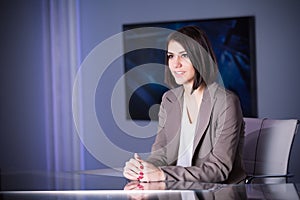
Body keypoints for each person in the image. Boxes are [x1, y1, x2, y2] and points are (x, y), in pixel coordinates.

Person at [123, 26, 246, 184]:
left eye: (184, 56)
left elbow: (218, 169)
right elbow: (161, 155)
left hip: (218, 193)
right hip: (178, 190)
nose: (175, 64)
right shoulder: (169, 100)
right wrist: (142, 169)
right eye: (171, 56)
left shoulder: (226, 102)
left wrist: (162, 175)